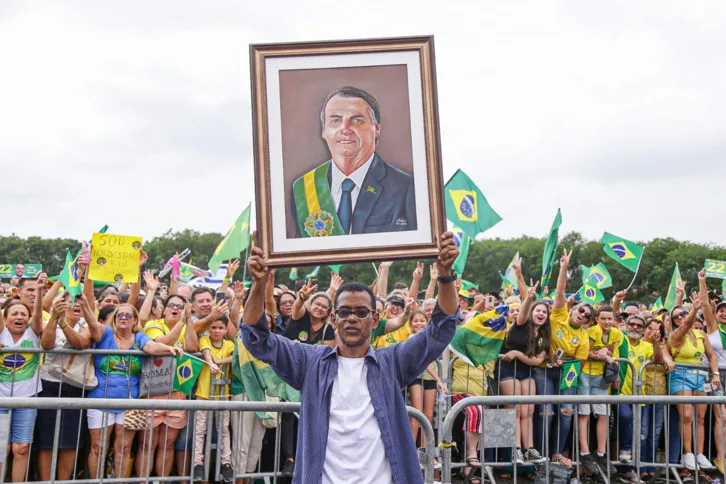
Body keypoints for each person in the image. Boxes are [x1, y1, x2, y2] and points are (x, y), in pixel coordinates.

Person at [241, 231, 459, 483]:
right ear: (333, 319)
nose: (352, 318)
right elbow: (256, 338)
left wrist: (445, 274)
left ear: (375, 319)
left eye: (361, 312)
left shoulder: (393, 362)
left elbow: (442, 329)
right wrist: (259, 284)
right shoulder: (311, 363)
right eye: (344, 312)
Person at [290, 86, 416, 237]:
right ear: (324, 130)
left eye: (357, 120)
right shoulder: (304, 188)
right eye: (335, 120)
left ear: (376, 129)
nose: (345, 129)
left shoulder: (407, 188)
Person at [79, 296, 180, 481]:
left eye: (127, 315)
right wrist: (85, 305)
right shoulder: (106, 334)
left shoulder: (139, 337)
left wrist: (168, 349)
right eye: (119, 315)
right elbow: (92, 324)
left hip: (130, 402)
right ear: (114, 318)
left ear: (135, 320)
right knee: (98, 447)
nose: (123, 318)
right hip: (100, 400)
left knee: (124, 447)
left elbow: (152, 347)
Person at [533, 249, 592, 467]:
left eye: (587, 315)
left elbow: (580, 362)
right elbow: (560, 291)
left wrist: (566, 363)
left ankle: (557, 452)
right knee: (545, 412)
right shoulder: (559, 314)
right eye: (581, 310)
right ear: (573, 309)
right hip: (544, 369)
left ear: (587, 321)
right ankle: (541, 454)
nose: (583, 314)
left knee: (566, 411)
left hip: (568, 371)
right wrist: (564, 267)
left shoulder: (584, 337)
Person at [136, 294, 199, 478]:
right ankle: (142, 482)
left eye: (180, 306)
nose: (176, 309)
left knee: (168, 443)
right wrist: (181, 323)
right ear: (163, 310)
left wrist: (188, 323)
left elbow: (193, 347)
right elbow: (162, 343)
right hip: (152, 392)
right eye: (171, 305)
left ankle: (162, 481)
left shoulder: (186, 324)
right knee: (147, 443)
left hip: (177, 392)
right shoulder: (154, 325)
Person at [37, 290, 92, 482]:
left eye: (79, 301)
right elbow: (46, 344)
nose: (75, 305)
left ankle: (62, 481)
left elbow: (81, 343)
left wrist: (65, 325)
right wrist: (54, 318)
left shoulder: (88, 324)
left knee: (70, 441)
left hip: (76, 386)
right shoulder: (52, 320)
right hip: (49, 385)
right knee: (47, 440)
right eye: (70, 301)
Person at [668, 294, 721, 474]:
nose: (680, 317)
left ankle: (699, 453)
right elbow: (687, 324)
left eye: (683, 313)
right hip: (680, 377)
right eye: (676, 316)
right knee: (687, 416)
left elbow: (711, 355)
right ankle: (688, 453)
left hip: (700, 378)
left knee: (700, 417)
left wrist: (715, 375)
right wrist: (695, 309)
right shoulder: (675, 335)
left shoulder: (701, 334)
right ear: (673, 321)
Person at [500, 282, 550, 464]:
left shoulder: (545, 336)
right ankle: (515, 450)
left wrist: (518, 354)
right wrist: (529, 299)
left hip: (527, 371)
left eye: (544, 312)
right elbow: (521, 314)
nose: (541, 314)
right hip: (507, 370)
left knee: (528, 410)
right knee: (514, 410)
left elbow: (537, 360)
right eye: (538, 310)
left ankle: (529, 449)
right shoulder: (521, 324)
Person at [614, 313, 665, 483]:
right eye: (632, 324)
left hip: (639, 396)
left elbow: (658, 360)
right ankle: (625, 453)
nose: (635, 327)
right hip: (620, 393)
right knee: (625, 417)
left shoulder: (646, 345)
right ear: (626, 325)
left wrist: (656, 342)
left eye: (638, 325)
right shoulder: (621, 340)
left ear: (644, 330)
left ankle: (631, 470)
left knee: (639, 433)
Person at [0, 290, 45, 482]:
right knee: (2, 447)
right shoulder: (2, 334)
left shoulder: (33, 333)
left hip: (27, 398)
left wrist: (40, 290)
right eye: (14, 314)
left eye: (23, 314)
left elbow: (38, 313)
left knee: (21, 448)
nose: (19, 317)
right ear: (5, 318)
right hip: (1, 399)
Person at [578, 304, 623, 476]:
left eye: (609, 318)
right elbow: (585, 352)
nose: (606, 321)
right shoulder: (593, 331)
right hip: (585, 375)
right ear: (597, 319)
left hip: (601, 378)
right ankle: (584, 453)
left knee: (603, 414)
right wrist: (602, 354)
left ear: (614, 320)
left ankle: (601, 454)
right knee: (584, 414)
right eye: (603, 318)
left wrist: (606, 353)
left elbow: (612, 353)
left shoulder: (616, 333)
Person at [193, 316, 235, 483]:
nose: (217, 331)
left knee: (224, 430)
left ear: (225, 329)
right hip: (203, 393)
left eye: (220, 328)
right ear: (209, 329)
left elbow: (234, 357)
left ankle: (226, 463)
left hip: (222, 395)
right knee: (199, 430)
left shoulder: (229, 344)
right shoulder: (204, 339)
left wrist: (219, 362)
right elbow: (206, 352)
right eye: (213, 327)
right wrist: (210, 362)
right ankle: (198, 464)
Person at [406, 310, 447, 455]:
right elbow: (424, 362)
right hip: (417, 377)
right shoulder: (412, 338)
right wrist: (439, 379)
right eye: (415, 320)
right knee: (417, 414)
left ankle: (427, 451)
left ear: (427, 322)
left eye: (422, 320)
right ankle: (410, 453)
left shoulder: (431, 338)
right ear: (410, 324)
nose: (419, 323)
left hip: (430, 380)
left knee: (429, 416)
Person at [697, 269, 726, 473]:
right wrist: (702, 282)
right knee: (722, 416)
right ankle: (720, 457)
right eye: (722, 310)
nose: (724, 313)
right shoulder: (713, 328)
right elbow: (706, 303)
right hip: (717, 376)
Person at [640, 318, 672, 480]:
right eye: (651, 328)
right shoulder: (639, 344)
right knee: (643, 431)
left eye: (658, 330)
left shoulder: (663, 347)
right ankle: (641, 466)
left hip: (660, 393)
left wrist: (657, 343)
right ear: (645, 329)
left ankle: (651, 465)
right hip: (643, 393)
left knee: (655, 432)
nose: (654, 332)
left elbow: (659, 359)